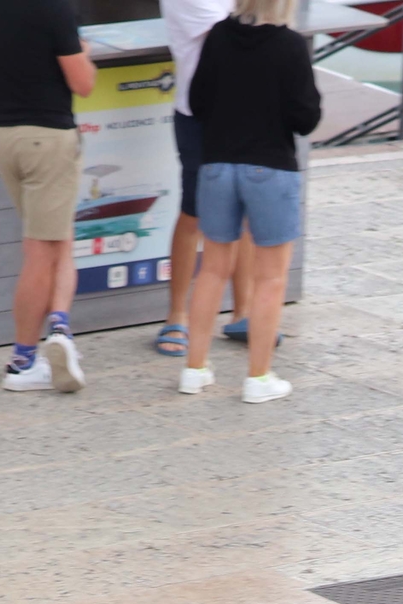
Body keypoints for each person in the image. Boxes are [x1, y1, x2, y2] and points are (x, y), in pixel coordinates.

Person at [177, 0, 320, 404]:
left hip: (217, 166)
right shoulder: (290, 45)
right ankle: (258, 377)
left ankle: (194, 369)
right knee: (271, 278)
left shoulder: (218, 36)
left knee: (212, 270)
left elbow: (198, 101)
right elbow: (306, 117)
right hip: (270, 168)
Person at [0, 0, 96, 393]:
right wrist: (84, 51)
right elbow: (83, 83)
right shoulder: (56, 8)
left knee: (57, 239)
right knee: (42, 250)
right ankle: (22, 361)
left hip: (2, 134)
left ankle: (60, 328)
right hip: (47, 135)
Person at [158, 0, 236, 362]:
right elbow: (232, 33)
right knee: (194, 214)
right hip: (198, 113)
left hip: (247, 106)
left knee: (247, 211)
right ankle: (177, 313)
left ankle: (244, 312)